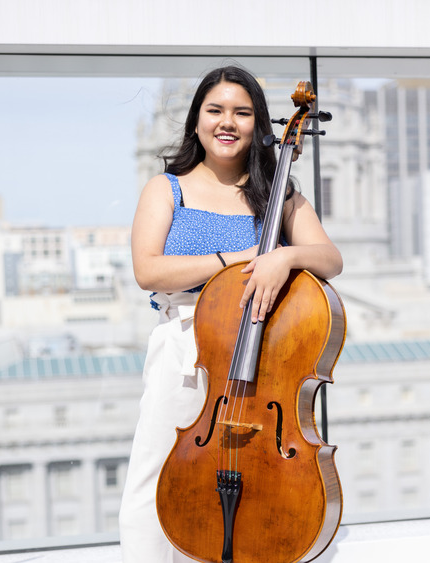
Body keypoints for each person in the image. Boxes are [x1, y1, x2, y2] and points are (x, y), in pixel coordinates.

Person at [118, 65, 343, 562]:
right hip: (185, 347)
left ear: (258, 124)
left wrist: (284, 256)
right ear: (197, 119)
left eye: (241, 113)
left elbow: (330, 259)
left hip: (263, 354)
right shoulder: (167, 188)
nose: (227, 122)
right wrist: (242, 258)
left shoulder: (279, 194)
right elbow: (148, 271)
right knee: (155, 476)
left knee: (260, 482)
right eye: (215, 110)